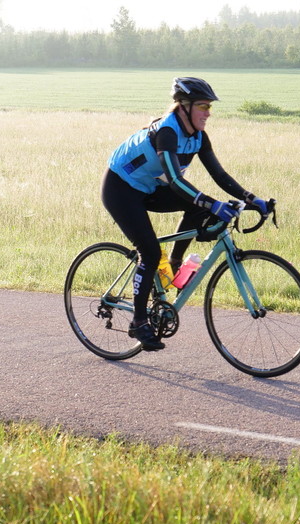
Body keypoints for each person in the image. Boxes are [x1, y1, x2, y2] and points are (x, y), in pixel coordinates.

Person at [101, 76, 272, 351]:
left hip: (149, 187)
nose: (208, 113)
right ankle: (139, 321)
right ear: (183, 106)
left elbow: (219, 174)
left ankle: (176, 264)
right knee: (150, 251)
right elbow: (176, 181)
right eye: (203, 106)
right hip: (121, 188)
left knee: (198, 205)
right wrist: (213, 204)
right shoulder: (167, 132)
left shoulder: (198, 137)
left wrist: (253, 199)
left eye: (209, 107)